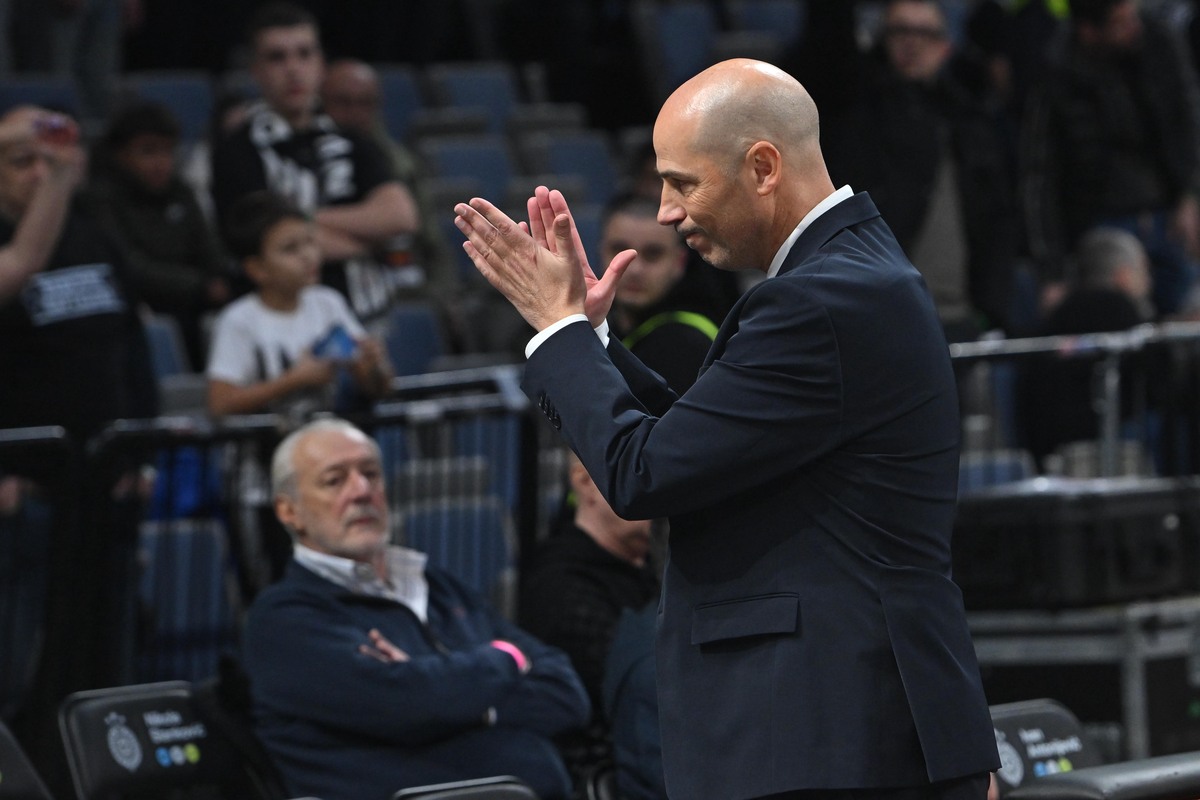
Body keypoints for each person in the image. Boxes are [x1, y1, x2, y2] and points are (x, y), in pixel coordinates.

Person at [455, 58, 999, 799]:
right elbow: (699, 442)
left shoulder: (818, 301)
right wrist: (590, 336)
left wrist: (558, 332)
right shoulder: (853, 277)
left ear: (763, 168)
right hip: (845, 730)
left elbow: (644, 473)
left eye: (683, 184)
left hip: (827, 736)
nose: (667, 212)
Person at [242, 417, 590, 800]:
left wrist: (450, 698)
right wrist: (504, 658)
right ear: (288, 510)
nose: (361, 491)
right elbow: (402, 704)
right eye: (334, 480)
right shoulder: (284, 618)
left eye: (371, 474)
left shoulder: (438, 588)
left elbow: (566, 694)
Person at [210, 1, 420, 332]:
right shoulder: (236, 151)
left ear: (321, 64)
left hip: (368, 319)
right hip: (282, 327)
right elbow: (268, 244)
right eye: (277, 57)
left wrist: (303, 218)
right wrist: (370, 242)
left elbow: (400, 216)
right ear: (256, 70)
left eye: (304, 54)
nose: (293, 69)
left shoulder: (352, 139)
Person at [820, 0, 1021, 341]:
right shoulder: (857, 115)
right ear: (882, 40)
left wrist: (992, 310)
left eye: (925, 33)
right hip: (881, 315)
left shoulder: (971, 122)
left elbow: (998, 219)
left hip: (961, 316)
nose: (912, 42)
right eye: (900, 31)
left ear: (946, 47)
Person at [1021, 0, 1200, 317]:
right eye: (1121, 22)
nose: (1134, 27)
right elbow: (1039, 178)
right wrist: (1052, 272)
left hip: (1168, 216)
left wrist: (1189, 193)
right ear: (1089, 31)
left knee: (1185, 322)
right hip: (1101, 223)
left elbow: (1185, 120)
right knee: (1116, 326)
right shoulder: (1057, 72)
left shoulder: (1159, 43)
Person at [519, 451, 660, 784]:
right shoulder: (557, 584)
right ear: (585, 481)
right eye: (641, 469)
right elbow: (636, 685)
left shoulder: (648, 570)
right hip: (608, 772)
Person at [205, 190, 392, 420]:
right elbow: (220, 405)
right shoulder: (239, 321)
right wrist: (294, 380)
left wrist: (373, 365)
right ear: (257, 269)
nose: (308, 255)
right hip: (267, 442)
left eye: (310, 241)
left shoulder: (328, 303)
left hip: (327, 436)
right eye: (290, 249)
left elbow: (379, 388)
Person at [83, 101, 231, 371]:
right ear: (120, 154)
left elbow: (209, 249)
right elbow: (126, 265)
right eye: (148, 151)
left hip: (194, 304)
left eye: (167, 151)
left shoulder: (181, 192)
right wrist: (201, 286)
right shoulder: (100, 200)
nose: (161, 162)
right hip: (137, 309)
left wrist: (225, 278)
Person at [1018, 226, 1156, 467]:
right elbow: (1156, 383)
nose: (1149, 281)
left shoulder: (1056, 317)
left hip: (1049, 454)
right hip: (1114, 452)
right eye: (1144, 270)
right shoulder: (1125, 314)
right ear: (1123, 275)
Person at [320, 57, 455, 298]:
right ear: (322, 101)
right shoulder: (305, 156)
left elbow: (425, 233)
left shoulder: (398, 161)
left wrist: (443, 295)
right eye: (343, 101)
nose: (354, 112)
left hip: (397, 272)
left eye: (365, 102)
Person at [601, 193, 718, 394]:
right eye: (619, 251)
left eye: (652, 254)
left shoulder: (686, 344)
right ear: (601, 251)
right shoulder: (600, 327)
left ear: (679, 262)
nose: (635, 269)